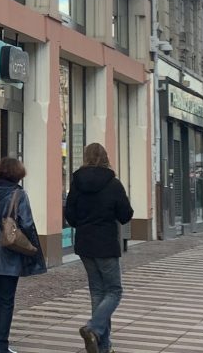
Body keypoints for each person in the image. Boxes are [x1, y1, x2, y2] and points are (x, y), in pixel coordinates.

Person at [0, 157, 46, 353]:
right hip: (9, 254)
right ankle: (1, 344)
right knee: (6, 300)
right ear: (18, 175)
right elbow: (27, 224)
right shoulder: (18, 194)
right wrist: (33, 249)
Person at [65, 142, 133, 353]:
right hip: (106, 244)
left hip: (85, 243)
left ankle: (103, 346)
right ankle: (93, 328)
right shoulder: (113, 183)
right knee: (114, 291)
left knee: (97, 291)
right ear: (105, 157)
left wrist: (83, 223)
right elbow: (125, 215)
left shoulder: (77, 183)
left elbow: (70, 214)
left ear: (85, 157)